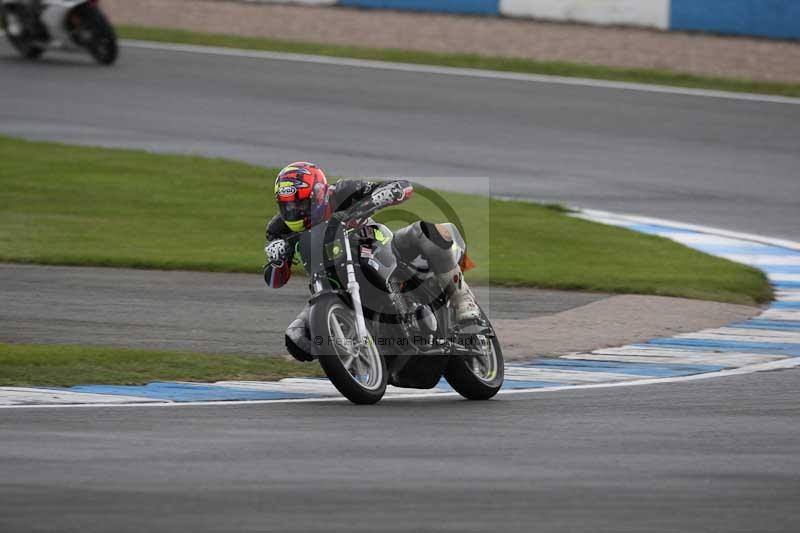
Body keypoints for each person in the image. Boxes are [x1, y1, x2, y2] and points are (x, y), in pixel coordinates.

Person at [263, 162, 480, 362]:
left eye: (300, 204)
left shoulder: (342, 191)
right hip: (327, 283)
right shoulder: (278, 230)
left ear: (318, 194)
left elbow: (403, 187)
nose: (294, 211)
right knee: (296, 337)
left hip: (376, 246)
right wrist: (277, 261)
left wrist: (384, 194)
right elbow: (275, 281)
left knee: (424, 232)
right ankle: (355, 354)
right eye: (287, 206)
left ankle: (463, 301)